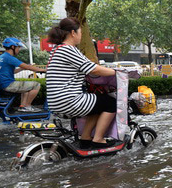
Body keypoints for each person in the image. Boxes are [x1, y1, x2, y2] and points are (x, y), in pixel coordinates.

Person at [45, 18, 119, 149]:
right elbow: (93, 69)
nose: (81, 36)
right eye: (80, 32)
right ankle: (98, 140)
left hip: (56, 101)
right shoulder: (68, 49)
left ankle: (85, 138)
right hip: (69, 100)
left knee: (97, 102)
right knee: (111, 103)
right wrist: (117, 72)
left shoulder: (56, 50)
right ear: (73, 33)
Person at [0, 38, 47, 112]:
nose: (19, 50)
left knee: (25, 87)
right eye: (18, 47)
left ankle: (22, 107)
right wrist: (43, 70)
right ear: (13, 47)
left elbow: (12, 71)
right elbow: (27, 66)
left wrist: (22, 69)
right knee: (36, 85)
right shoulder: (9, 58)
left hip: (2, 84)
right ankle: (28, 106)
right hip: (8, 84)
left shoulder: (2, 57)